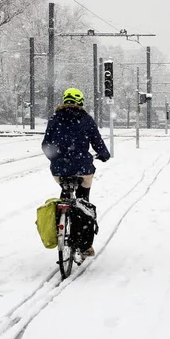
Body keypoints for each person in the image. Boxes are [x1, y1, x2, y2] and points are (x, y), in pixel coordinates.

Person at [41, 88, 110, 257]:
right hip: (82, 167)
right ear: (80, 102)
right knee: (82, 198)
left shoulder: (54, 119)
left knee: (65, 191)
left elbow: (46, 144)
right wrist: (104, 155)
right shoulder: (86, 119)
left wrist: (56, 159)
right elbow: (97, 142)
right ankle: (84, 244)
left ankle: (61, 225)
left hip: (59, 169)